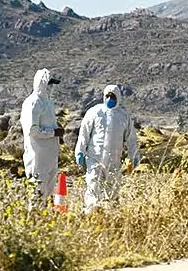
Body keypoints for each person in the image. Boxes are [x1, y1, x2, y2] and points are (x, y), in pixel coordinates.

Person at [75, 84, 139, 214]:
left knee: (112, 191)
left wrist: (133, 157)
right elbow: (84, 134)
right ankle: (91, 215)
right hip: (94, 158)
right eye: (107, 96)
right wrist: (80, 151)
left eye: (113, 96)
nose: (109, 99)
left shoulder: (123, 115)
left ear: (118, 98)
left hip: (113, 161)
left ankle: (110, 217)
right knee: (93, 187)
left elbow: (131, 138)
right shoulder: (95, 112)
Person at [20, 68, 65, 207]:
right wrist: (53, 133)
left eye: (52, 84)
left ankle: (45, 223)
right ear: (42, 84)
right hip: (38, 158)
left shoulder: (48, 103)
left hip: (50, 157)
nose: (51, 87)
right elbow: (32, 130)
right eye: (49, 83)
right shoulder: (33, 103)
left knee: (47, 196)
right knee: (36, 196)